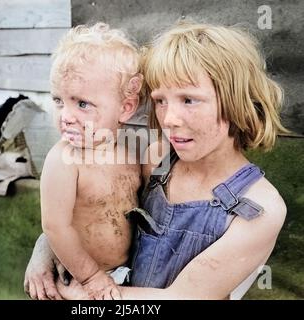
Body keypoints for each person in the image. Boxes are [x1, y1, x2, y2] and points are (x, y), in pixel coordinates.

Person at [25, 20, 288, 300]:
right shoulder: (158, 160)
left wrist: (85, 297)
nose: (169, 120)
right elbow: (94, 209)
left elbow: (183, 298)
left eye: (189, 100)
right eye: (161, 101)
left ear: (237, 100)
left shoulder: (260, 208)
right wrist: (46, 247)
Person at [25, 22, 146, 300]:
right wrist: (91, 277)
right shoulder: (64, 160)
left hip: (124, 272)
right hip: (78, 278)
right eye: (58, 100)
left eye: (81, 104)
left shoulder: (130, 151)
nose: (65, 116)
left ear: (125, 107)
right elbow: (55, 226)